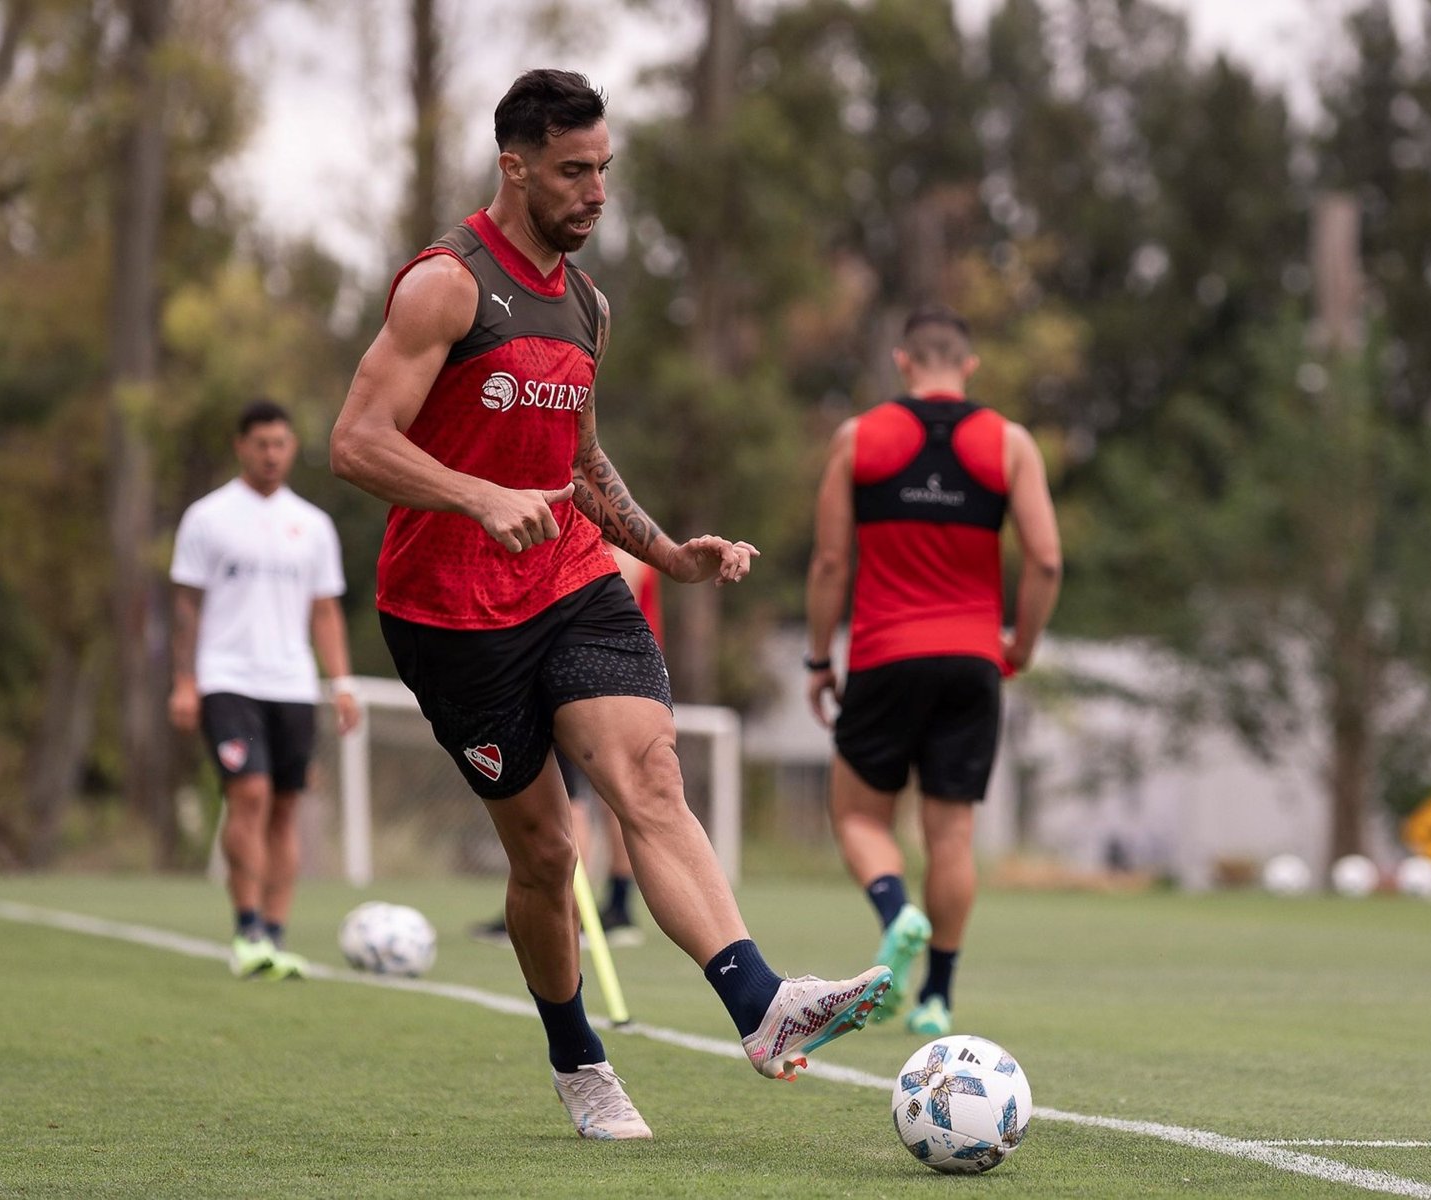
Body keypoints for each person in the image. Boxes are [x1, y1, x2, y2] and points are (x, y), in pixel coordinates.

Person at [330, 68, 890, 1141]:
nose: (595, 193)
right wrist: (476, 495)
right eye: (572, 172)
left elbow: (581, 464)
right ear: (515, 167)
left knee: (649, 775)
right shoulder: (447, 285)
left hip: (570, 581)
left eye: (604, 170)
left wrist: (668, 553)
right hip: (450, 615)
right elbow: (354, 443)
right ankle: (577, 1058)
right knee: (548, 856)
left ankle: (762, 1005)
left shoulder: (587, 305)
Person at [804, 306, 1061, 1037]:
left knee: (858, 816)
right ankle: (936, 998)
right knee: (950, 836)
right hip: (973, 660)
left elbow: (830, 563)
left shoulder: (859, 438)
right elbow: (1046, 560)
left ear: (904, 361)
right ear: (969, 365)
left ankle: (896, 912)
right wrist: (1021, 646)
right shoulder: (1009, 444)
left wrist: (819, 659)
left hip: (884, 656)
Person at [169, 398, 362, 980]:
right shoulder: (208, 517)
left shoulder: (313, 525)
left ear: (292, 447)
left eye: (280, 444)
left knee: (284, 806)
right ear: (241, 447)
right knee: (248, 792)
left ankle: (275, 935)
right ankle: (247, 926)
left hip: (292, 683)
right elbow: (186, 605)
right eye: (261, 444)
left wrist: (341, 682)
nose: (272, 454)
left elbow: (324, 610)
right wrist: (185, 681)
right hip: (227, 677)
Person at [469, 544, 654, 949]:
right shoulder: (620, 549)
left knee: (572, 798)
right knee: (608, 796)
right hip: (619, 676)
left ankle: (569, 909)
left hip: (587, 676)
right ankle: (613, 906)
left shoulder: (604, 551)